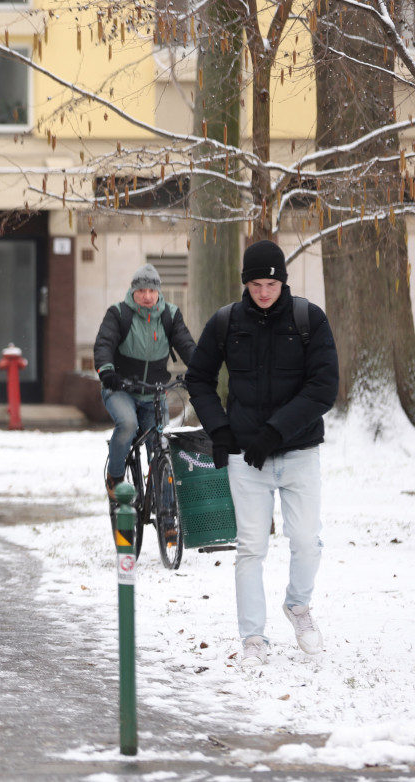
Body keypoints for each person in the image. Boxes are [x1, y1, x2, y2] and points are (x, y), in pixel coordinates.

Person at [184, 239, 339, 667]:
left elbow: (324, 387)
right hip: (246, 457)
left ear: (282, 281)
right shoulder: (227, 322)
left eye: (271, 284)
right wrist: (219, 429)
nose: (264, 292)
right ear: (245, 283)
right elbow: (198, 378)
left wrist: (276, 431)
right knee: (251, 547)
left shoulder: (309, 319)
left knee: (306, 540)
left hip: (298, 451)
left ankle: (298, 606)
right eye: (256, 284)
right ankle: (253, 637)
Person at [93, 263, 196, 500]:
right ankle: (115, 476)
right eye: (141, 291)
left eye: (152, 291)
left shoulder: (170, 315)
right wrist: (107, 371)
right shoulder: (119, 314)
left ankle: (166, 509)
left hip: (154, 392)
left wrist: (199, 371)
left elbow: (186, 345)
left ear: (159, 291)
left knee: (162, 446)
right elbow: (104, 344)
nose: (147, 296)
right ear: (133, 291)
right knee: (127, 424)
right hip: (121, 388)